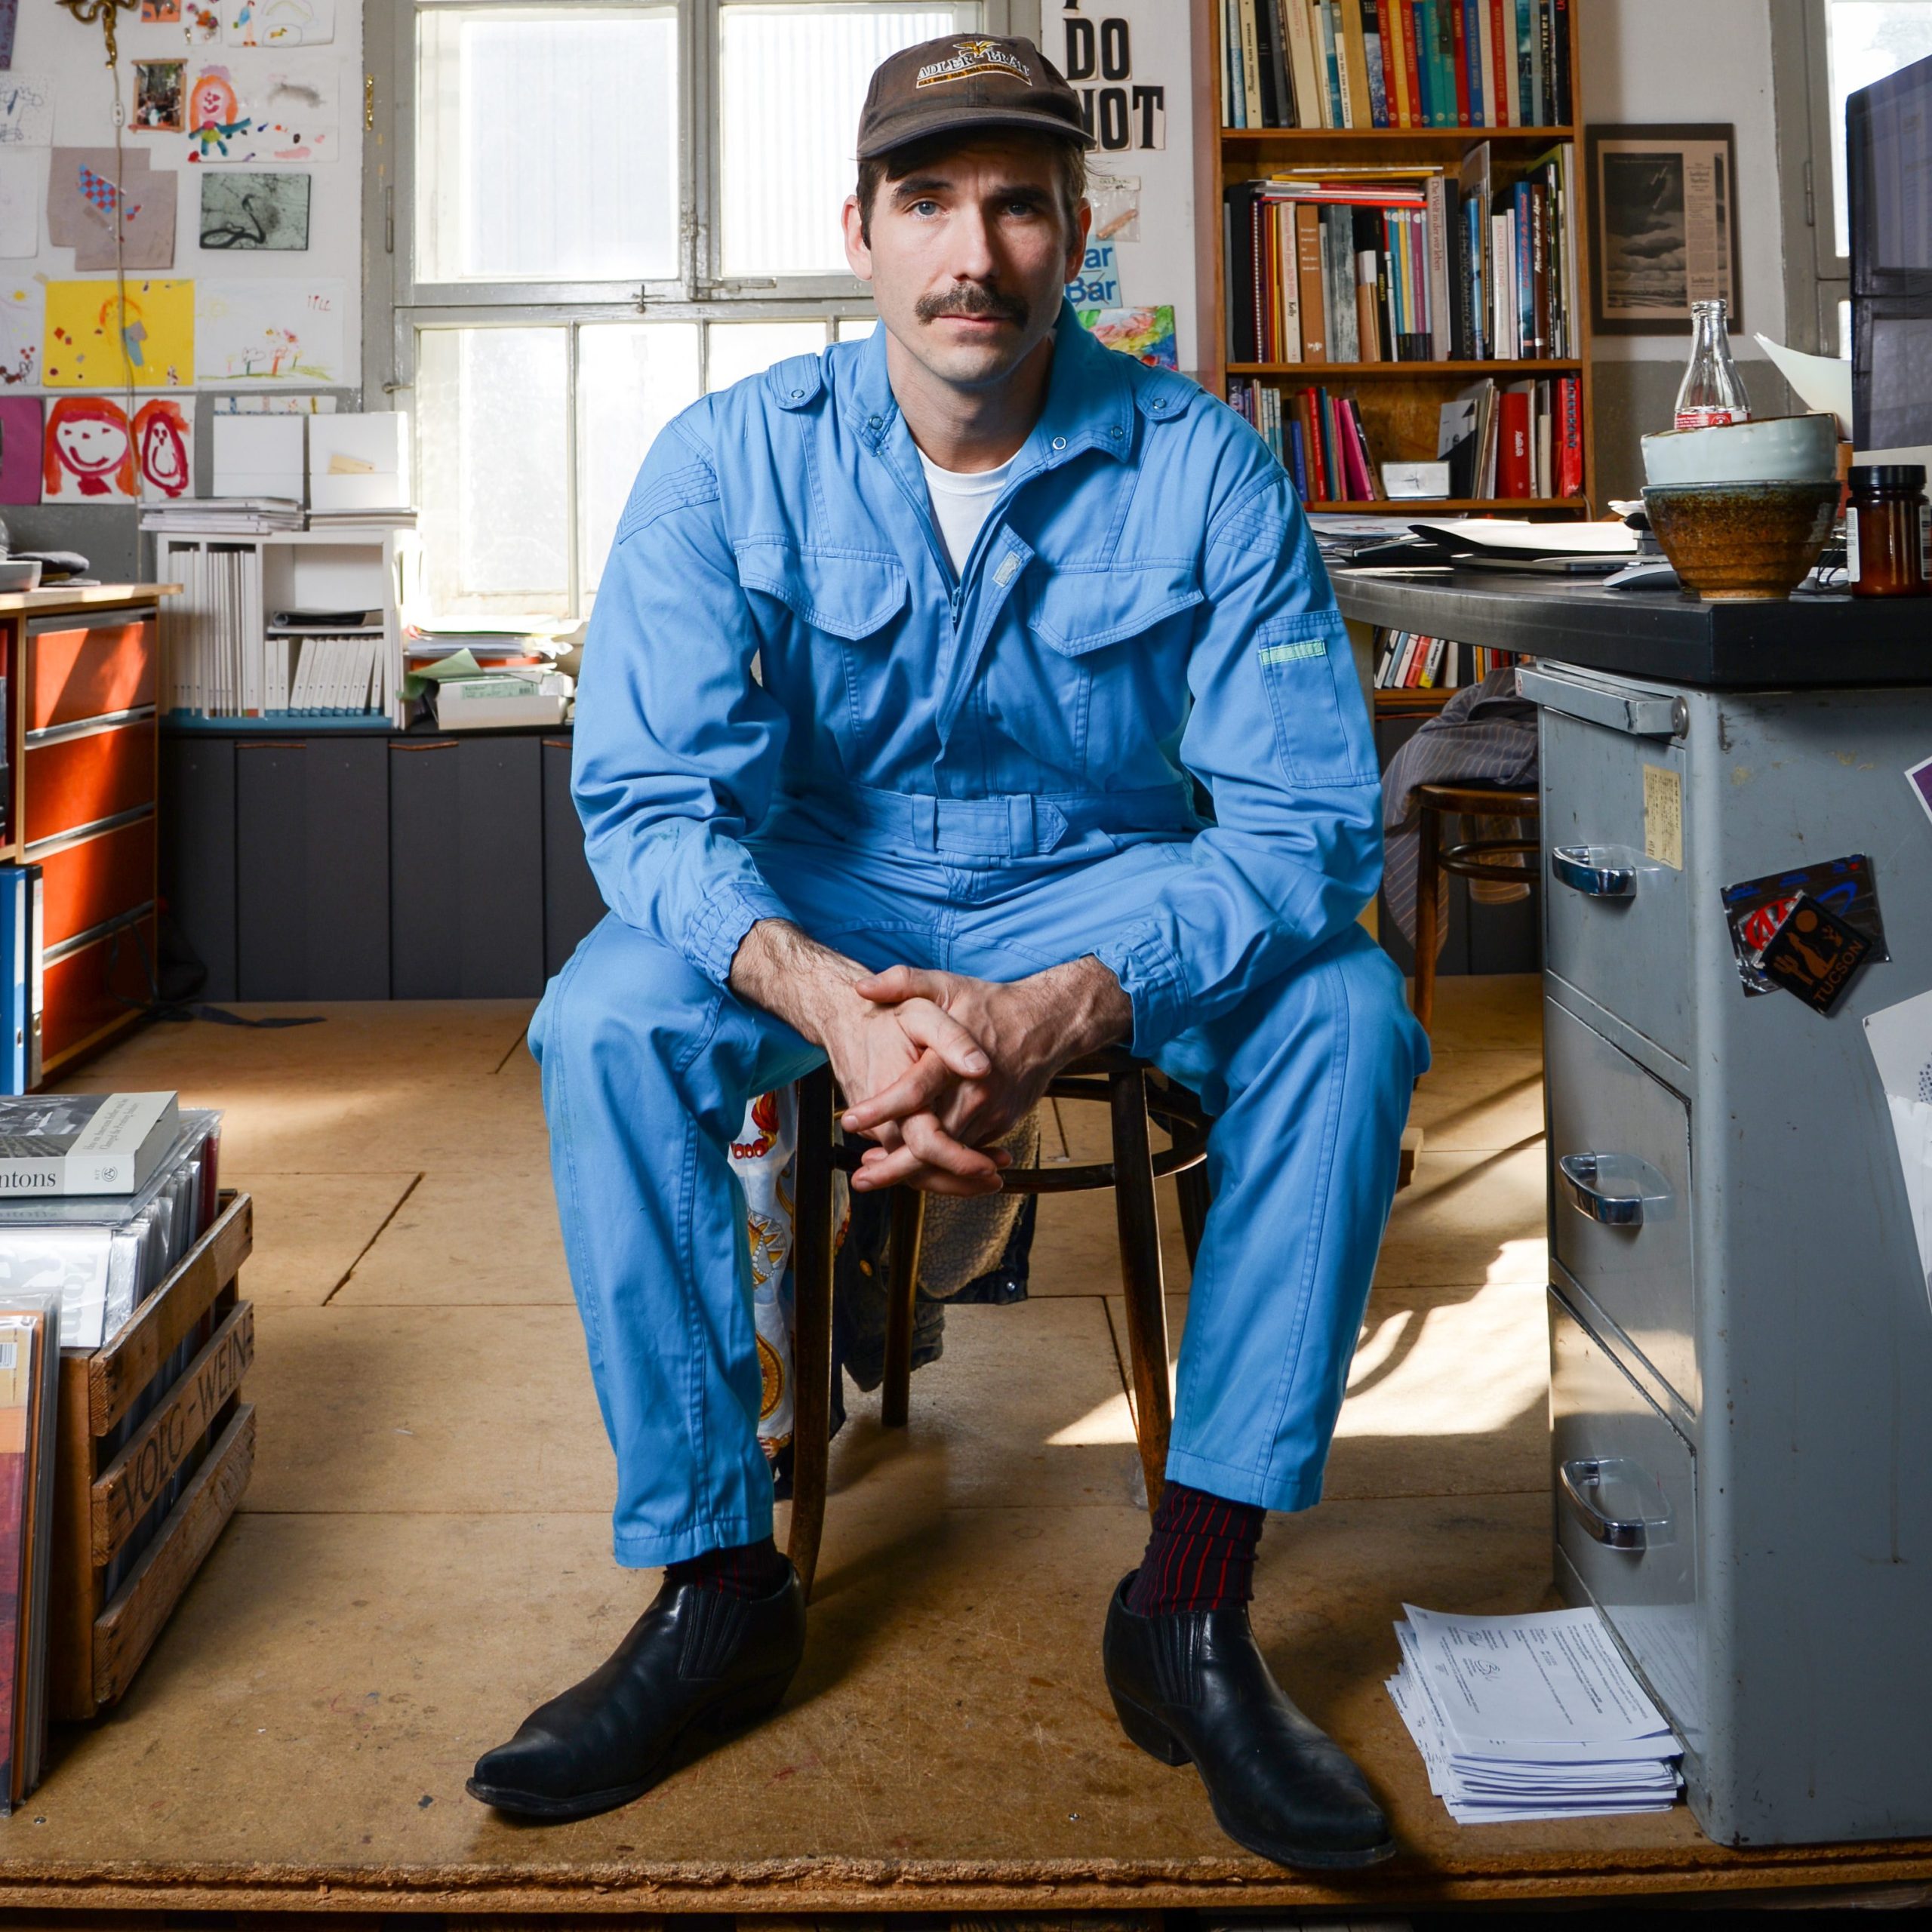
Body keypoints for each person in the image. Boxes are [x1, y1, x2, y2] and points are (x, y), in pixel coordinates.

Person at [468, 34, 1427, 1869]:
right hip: (821, 894)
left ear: (1077, 232)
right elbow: (650, 803)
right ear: (860, 229)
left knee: (1350, 1013)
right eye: (926, 201)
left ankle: (1191, 1601)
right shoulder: (722, 460)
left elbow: (1302, 825)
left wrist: (1056, 1006)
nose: (968, 250)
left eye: (1013, 202)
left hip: (1098, 888)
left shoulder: (1205, 467)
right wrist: (834, 1006)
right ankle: (716, 1577)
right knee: (602, 1017)